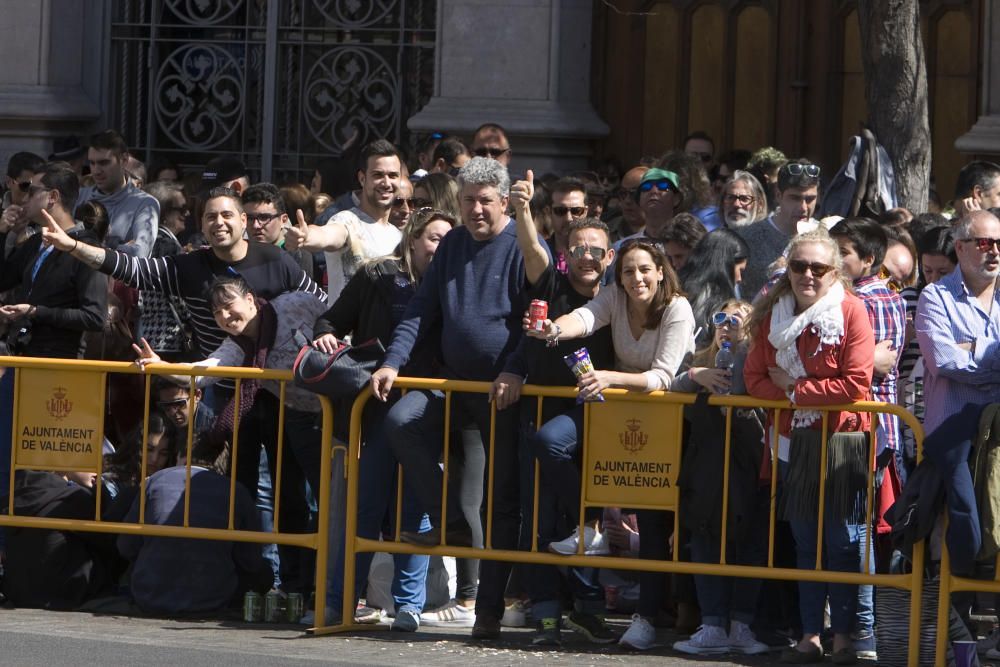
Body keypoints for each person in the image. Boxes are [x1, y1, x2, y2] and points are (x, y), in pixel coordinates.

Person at [372, 156, 531, 640]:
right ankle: (446, 524)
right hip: (451, 385)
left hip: (501, 394)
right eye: (468, 200)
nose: (476, 209)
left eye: (485, 200)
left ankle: (486, 610)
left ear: (504, 201)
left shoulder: (519, 246)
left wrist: (513, 368)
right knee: (401, 421)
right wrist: (392, 362)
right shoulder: (453, 244)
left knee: (493, 503)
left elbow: (534, 318)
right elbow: (422, 310)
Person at [527, 239, 696, 651]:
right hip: (615, 412)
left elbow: (663, 377)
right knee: (549, 441)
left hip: (669, 418)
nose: (635, 278)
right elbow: (584, 318)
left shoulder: (678, 308)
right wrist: (552, 329)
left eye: (643, 270)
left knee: (655, 525)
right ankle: (592, 523)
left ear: (660, 271)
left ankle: (646, 620)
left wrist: (610, 377)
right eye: (627, 271)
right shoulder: (614, 297)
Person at [314, 207, 457, 632]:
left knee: (415, 511)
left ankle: (408, 607)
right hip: (373, 410)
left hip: (426, 412)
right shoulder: (378, 276)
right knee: (365, 508)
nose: (441, 248)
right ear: (412, 238)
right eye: (434, 238)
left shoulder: (455, 283)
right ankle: (342, 603)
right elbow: (332, 318)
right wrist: (326, 334)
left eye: (449, 241)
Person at [744, 228, 876, 664]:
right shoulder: (772, 316)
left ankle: (845, 637)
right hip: (792, 441)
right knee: (805, 543)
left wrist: (798, 390)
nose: (807, 275)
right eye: (799, 266)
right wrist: (794, 395)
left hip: (843, 440)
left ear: (834, 271)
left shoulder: (852, 311)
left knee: (842, 543)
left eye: (818, 268)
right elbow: (755, 379)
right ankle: (809, 636)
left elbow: (857, 383)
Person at [499, 168, 618, 646]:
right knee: (541, 520)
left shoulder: (621, 295)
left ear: (610, 256)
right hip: (542, 412)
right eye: (578, 249)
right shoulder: (551, 284)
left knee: (576, 520)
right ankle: (547, 613)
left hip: (596, 419)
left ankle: (589, 607)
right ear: (566, 255)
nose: (586, 257)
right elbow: (531, 250)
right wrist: (523, 209)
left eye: (596, 250)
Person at [40, 186, 326, 364]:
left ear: (242, 220)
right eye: (210, 217)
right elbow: (130, 268)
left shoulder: (275, 259)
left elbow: (320, 306)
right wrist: (74, 246)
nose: (219, 223)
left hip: (277, 385)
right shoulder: (188, 267)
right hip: (219, 387)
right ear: (201, 225)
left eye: (227, 215)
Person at [669, 299, 770, 656]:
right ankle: (712, 623)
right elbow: (670, 384)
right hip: (707, 465)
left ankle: (741, 625)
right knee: (706, 539)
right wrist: (697, 376)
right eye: (721, 319)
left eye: (738, 319)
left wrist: (743, 352)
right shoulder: (700, 358)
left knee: (751, 542)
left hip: (750, 460)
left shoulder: (757, 356)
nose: (728, 326)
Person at [117, 434, 273, 614]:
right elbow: (251, 561)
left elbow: (126, 546)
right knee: (264, 574)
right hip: (212, 599)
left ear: (180, 455)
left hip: (149, 596)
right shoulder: (235, 490)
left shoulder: (156, 481)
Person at [285, 140, 404, 301]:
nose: (386, 182)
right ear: (362, 179)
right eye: (378, 175)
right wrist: (306, 237)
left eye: (393, 175)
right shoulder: (347, 221)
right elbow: (327, 234)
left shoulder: (399, 235)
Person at [736, 160, 821, 299]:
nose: (803, 207)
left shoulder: (825, 237)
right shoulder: (748, 237)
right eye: (795, 198)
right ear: (778, 195)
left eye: (810, 199)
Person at [75, 130, 160, 257]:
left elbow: (139, 254)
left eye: (104, 163)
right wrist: (117, 247)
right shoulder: (78, 196)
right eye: (92, 163)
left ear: (124, 160)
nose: (96, 171)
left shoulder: (145, 204)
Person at [678, 229, 750, 346]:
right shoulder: (711, 299)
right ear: (727, 265)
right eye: (740, 270)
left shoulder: (679, 286)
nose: (740, 278)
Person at [545, 177, 590, 275]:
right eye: (560, 211)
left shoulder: (600, 254)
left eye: (576, 211)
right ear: (549, 212)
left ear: (585, 212)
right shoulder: (538, 253)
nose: (569, 218)